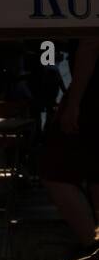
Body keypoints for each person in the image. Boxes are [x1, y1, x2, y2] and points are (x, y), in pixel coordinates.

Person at [38, 39, 99, 245]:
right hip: (88, 94)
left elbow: (90, 43)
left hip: (90, 96)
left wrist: (74, 102)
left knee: (56, 170)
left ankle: (93, 247)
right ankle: (93, 247)